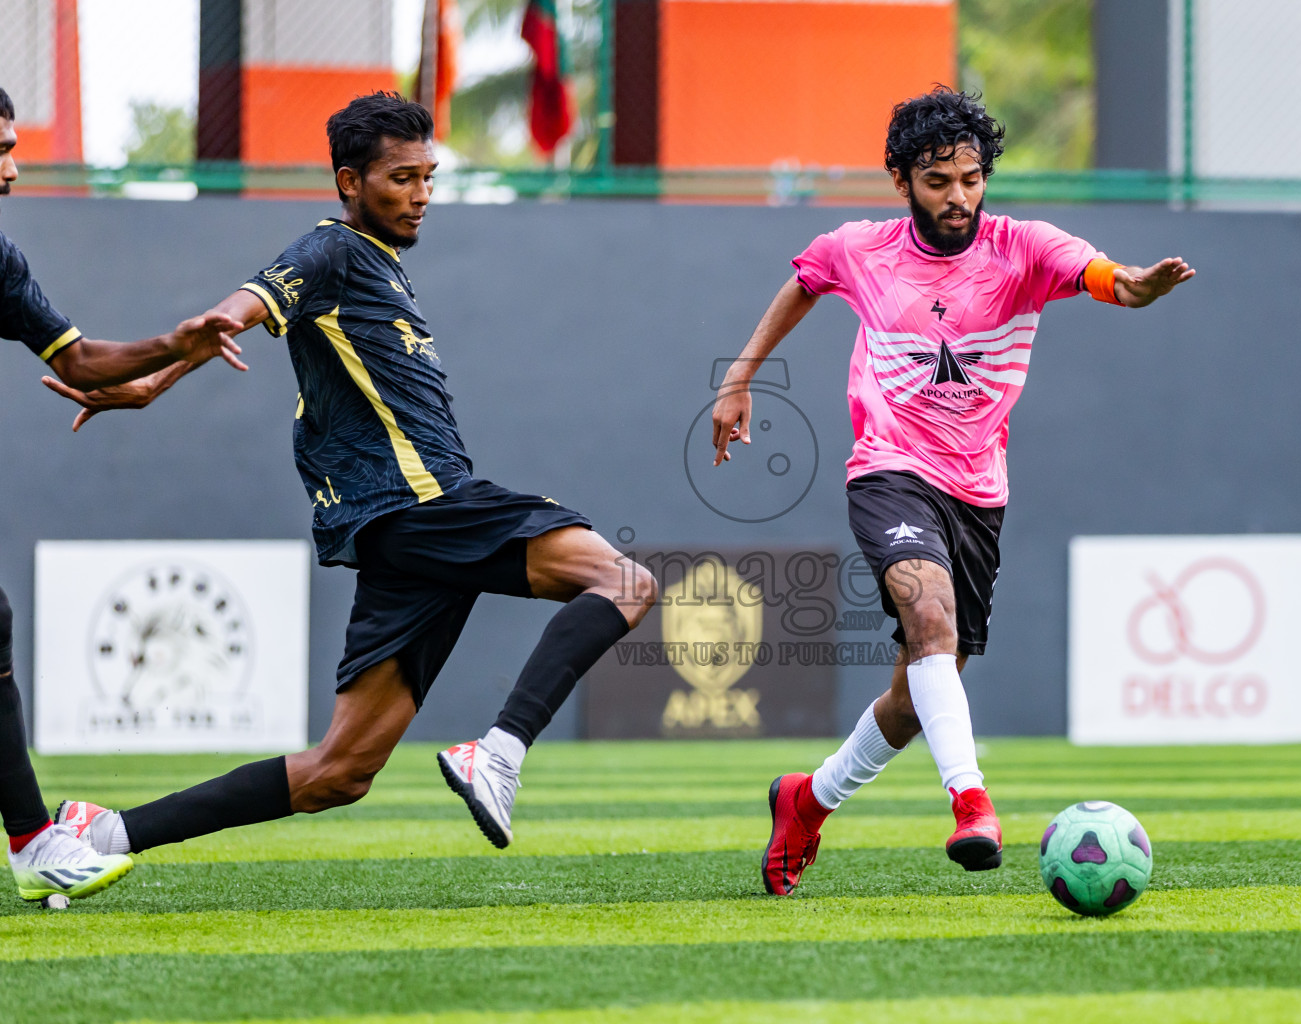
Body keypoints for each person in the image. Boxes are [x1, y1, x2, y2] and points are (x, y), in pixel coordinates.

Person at [52, 92, 655, 861]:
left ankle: (102, 834)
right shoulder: (331, 251)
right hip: (426, 504)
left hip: (399, 533)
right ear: (348, 181)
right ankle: (499, 752)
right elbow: (240, 309)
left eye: (429, 177)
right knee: (626, 584)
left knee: (338, 772)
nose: (421, 195)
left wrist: (151, 384)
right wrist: (180, 344)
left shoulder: (378, 265)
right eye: (401, 178)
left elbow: (245, 324)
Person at [711, 87, 1195, 895]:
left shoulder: (1024, 247)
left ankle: (807, 799)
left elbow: (1099, 274)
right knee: (927, 612)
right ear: (901, 180)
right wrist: (740, 376)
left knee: (914, 694)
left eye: (972, 178)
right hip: (890, 467)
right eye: (939, 181)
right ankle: (972, 803)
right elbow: (804, 279)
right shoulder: (859, 249)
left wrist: (1135, 286)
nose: (960, 197)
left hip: (978, 491)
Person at [0, 86, 244, 901]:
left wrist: (168, 350)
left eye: (13, 143)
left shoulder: (2, 263)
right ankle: (34, 841)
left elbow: (77, 362)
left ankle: (34, 840)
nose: (15, 163)